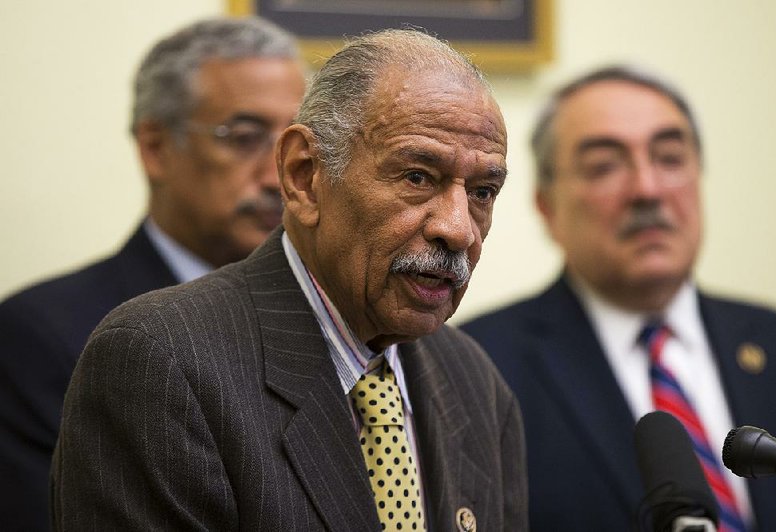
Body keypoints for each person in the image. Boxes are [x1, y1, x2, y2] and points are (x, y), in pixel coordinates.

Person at [50, 28, 527, 531]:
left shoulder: (475, 382)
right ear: (304, 175)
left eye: (482, 191)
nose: (456, 229)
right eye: (417, 177)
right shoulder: (161, 362)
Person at [462, 65, 776, 531]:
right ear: (546, 205)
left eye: (670, 157)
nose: (648, 189)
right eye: (604, 166)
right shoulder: (476, 368)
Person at [0, 17, 305, 531]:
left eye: (296, 144)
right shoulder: (42, 336)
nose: (279, 175)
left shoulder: (332, 322)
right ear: (156, 148)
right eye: (245, 137)